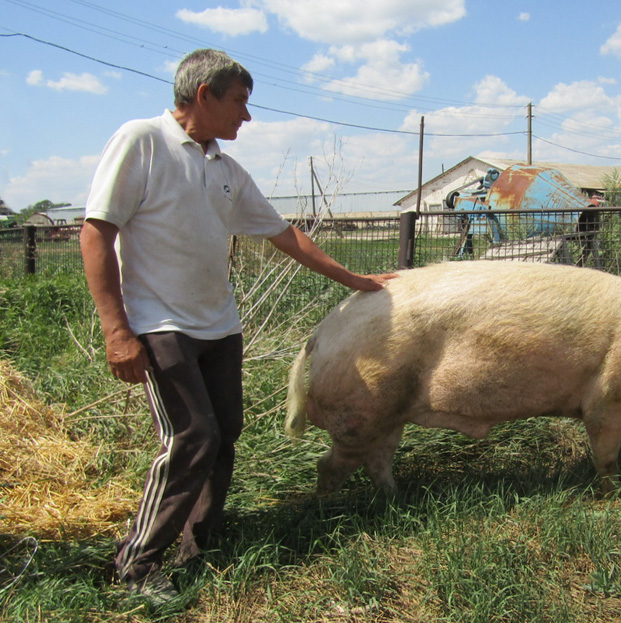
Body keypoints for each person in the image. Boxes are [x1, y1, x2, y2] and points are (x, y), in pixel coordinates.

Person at [80, 48, 396, 606]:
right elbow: (96, 231)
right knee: (191, 437)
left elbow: (283, 233)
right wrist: (117, 331)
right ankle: (137, 565)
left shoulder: (224, 168)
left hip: (219, 329)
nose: (246, 117)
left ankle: (200, 542)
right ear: (204, 95)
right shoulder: (142, 141)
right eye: (240, 103)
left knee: (225, 433)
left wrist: (353, 278)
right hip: (160, 326)